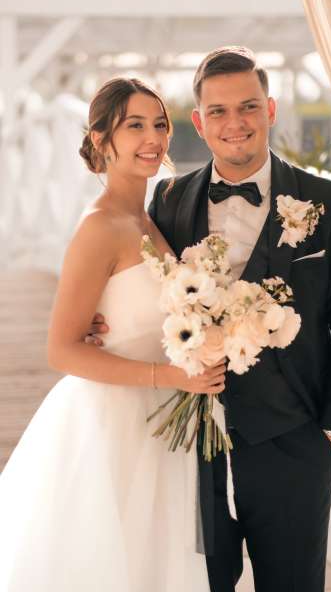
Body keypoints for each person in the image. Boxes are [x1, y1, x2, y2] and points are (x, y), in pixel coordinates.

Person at [91, 46, 331, 592]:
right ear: (200, 123)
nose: (235, 123)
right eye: (218, 111)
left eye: (248, 107)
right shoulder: (168, 200)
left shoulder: (330, 202)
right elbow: (145, 284)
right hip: (189, 445)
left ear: (270, 110)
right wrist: (104, 323)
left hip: (296, 441)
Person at [0, 77, 224, 591]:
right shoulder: (100, 226)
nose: (153, 138)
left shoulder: (148, 216)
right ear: (101, 140)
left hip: (160, 419)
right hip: (115, 422)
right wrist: (169, 375)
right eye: (135, 126)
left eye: (160, 124)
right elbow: (61, 350)